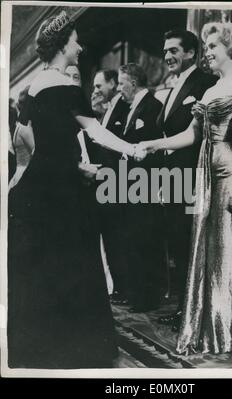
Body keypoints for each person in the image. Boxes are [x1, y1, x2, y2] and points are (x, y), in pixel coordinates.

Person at [7, 11, 144, 369]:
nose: (80, 46)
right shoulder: (67, 87)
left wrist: (35, 166)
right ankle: (77, 350)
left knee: (44, 266)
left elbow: (22, 138)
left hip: (39, 186)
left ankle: (39, 350)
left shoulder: (34, 85)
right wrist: (132, 149)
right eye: (76, 41)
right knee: (75, 262)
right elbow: (95, 132)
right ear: (63, 44)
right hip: (65, 191)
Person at [141, 22, 232, 354]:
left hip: (228, 172)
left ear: (230, 48)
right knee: (204, 248)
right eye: (207, 46)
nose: (209, 53)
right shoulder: (208, 92)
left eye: (214, 46)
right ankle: (206, 326)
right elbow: (192, 136)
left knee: (227, 252)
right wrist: (153, 143)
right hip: (204, 174)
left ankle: (226, 330)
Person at [156, 29, 218, 332]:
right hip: (171, 176)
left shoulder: (205, 83)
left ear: (192, 52)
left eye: (174, 50)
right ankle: (183, 307)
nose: (168, 56)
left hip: (192, 175)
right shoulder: (174, 85)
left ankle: (191, 312)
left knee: (188, 243)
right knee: (176, 243)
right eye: (166, 51)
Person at [118, 63, 165, 312]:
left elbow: (151, 149)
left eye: (121, 82)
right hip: (133, 184)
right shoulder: (134, 107)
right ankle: (138, 295)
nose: (118, 88)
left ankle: (146, 298)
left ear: (133, 83)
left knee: (144, 240)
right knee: (135, 239)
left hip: (145, 184)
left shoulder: (152, 106)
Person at [83, 69, 131, 306]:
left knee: (117, 236)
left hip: (116, 182)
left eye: (99, 85)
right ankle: (119, 287)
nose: (96, 90)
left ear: (113, 83)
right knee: (111, 237)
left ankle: (123, 287)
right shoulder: (106, 110)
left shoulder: (123, 108)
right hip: (106, 182)